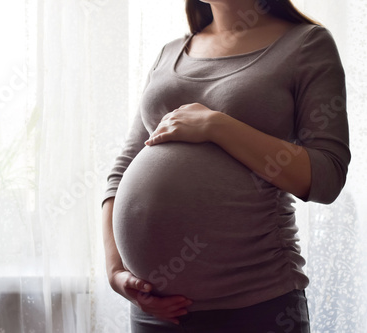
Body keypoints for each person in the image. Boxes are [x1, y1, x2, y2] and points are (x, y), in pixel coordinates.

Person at [101, 0, 350, 332]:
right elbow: (123, 168)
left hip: (255, 305)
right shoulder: (170, 52)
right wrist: (116, 271)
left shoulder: (306, 43)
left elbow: (327, 175)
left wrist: (217, 126)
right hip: (155, 310)